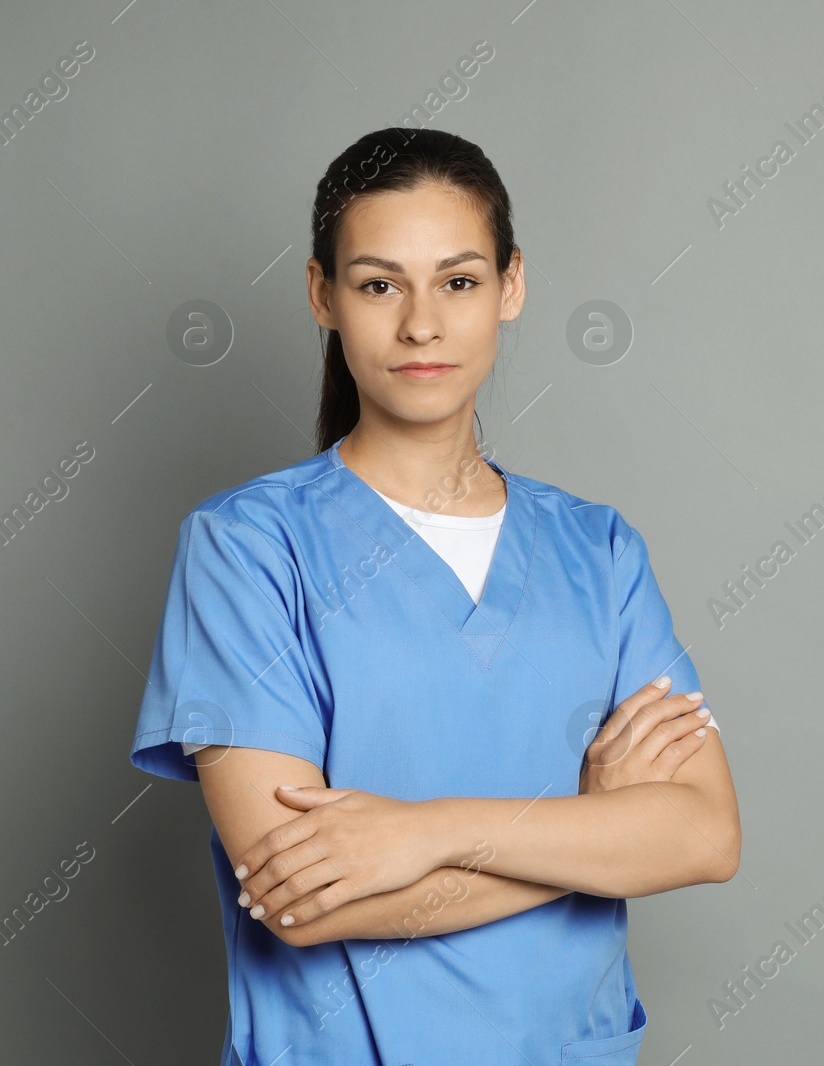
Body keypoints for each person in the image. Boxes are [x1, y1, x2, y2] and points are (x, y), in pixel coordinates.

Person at [128, 127, 740, 1066]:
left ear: (512, 286)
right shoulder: (249, 547)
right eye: (379, 284)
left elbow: (703, 835)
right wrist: (582, 823)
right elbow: (299, 901)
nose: (422, 324)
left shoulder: (596, 548)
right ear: (321, 296)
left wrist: (427, 833)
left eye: (458, 281)